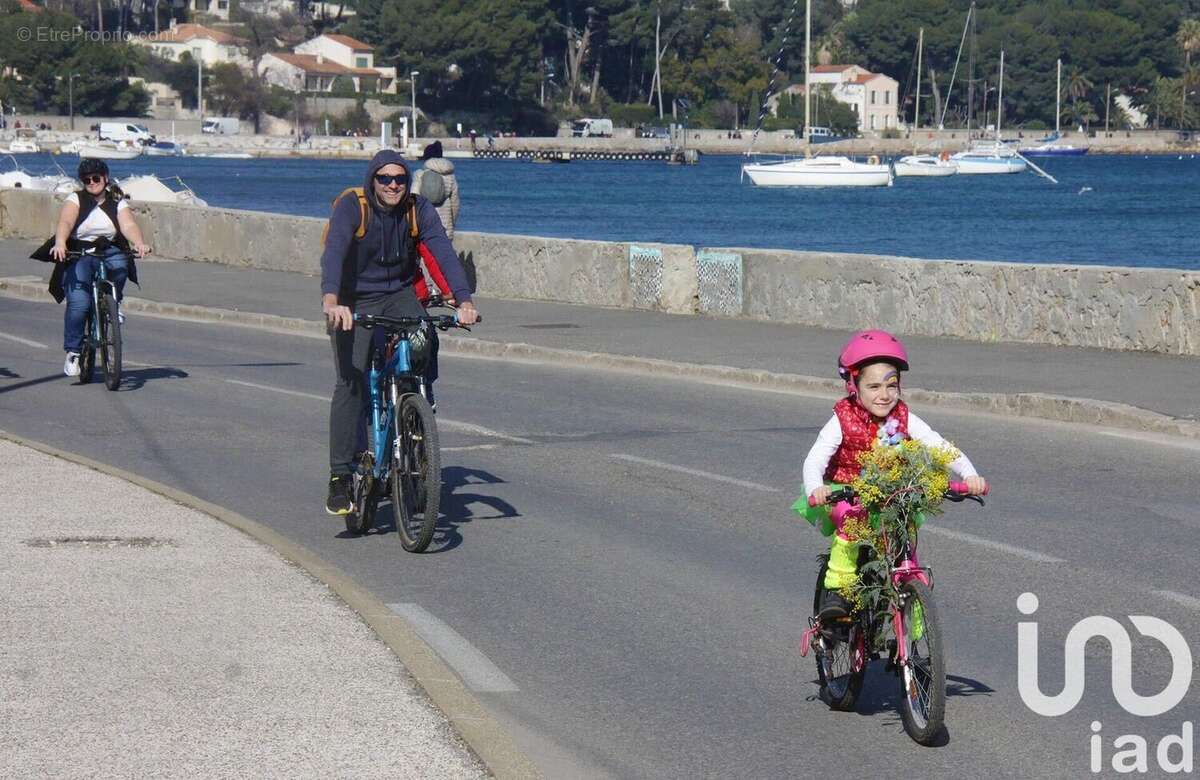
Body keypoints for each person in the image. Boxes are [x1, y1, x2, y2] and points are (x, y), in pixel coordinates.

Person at [319, 150, 478, 516]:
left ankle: (415, 405)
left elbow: (441, 249)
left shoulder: (416, 209)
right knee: (352, 379)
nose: (393, 185)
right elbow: (335, 252)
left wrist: (464, 300)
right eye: (385, 179)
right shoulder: (352, 207)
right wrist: (332, 301)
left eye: (400, 179)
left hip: (399, 294)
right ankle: (341, 476)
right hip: (353, 297)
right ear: (372, 179)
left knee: (425, 334)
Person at [797, 330, 987, 619]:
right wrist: (816, 489)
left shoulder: (903, 416)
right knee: (851, 519)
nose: (884, 395)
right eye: (873, 386)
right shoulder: (842, 419)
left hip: (889, 491)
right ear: (853, 385)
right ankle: (837, 593)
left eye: (891, 385)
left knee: (904, 534)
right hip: (846, 492)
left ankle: (915, 623)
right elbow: (814, 461)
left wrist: (970, 475)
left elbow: (940, 446)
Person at [47, 158, 150, 377]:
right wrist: (60, 242)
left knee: (121, 264)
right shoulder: (76, 199)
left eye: (96, 178)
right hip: (80, 251)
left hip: (108, 248)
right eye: (87, 180)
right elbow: (65, 222)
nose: (92, 183)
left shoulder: (116, 201)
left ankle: (113, 303)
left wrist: (139, 242)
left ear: (105, 177)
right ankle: (73, 352)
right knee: (79, 304)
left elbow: (128, 224)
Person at [415, 141, 460, 241]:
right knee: (443, 255)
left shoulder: (420, 174)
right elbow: (455, 203)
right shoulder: (450, 177)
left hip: (424, 225)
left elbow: (413, 200)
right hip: (445, 227)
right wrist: (452, 223)